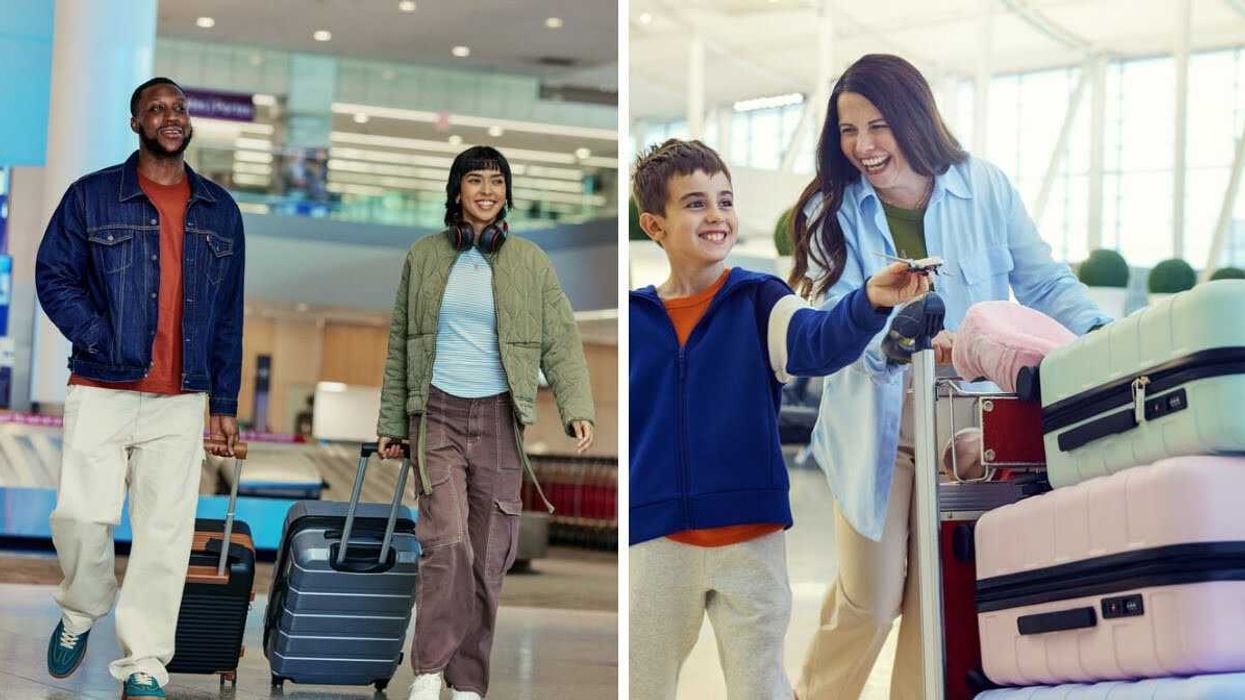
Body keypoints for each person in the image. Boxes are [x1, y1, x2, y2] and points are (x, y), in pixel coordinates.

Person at [788, 54, 1111, 700]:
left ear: (913, 118)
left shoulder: (981, 185)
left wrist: (1102, 335)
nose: (863, 146)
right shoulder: (833, 207)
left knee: (940, 601)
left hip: (964, 428)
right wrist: (899, 339)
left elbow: (1042, 279)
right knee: (871, 599)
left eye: (877, 126)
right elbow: (830, 320)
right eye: (848, 130)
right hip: (876, 423)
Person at [629, 138, 930, 700]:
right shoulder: (635, 320)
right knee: (644, 685)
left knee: (760, 687)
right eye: (695, 203)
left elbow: (817, 342)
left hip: (752, 540)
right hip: (659, 544)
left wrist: (868, 301)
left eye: (725, 199)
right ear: (655, 225)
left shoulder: (760, 299)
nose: (716, 215)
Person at [35, 76, 245, 699]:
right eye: (157, 108)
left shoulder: (220, 210)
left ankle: (146, 664)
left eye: (179, 108)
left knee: (164, 534)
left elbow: (229, 313)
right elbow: (54, 277)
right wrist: (96, 335)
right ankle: (80, 609)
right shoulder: (91, 197)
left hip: (182, 397)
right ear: (136, 123)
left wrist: (225, 404)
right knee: (81, 516)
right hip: (101, 384)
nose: (171, 116)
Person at [375, 145, 595, 700]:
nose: (487, 191)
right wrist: (392, 421)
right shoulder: (424, 256)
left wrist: (577, 408)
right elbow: (401, 340)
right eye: (476, 180)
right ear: (457, 190)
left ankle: (467, 682)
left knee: (489, 554)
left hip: (500, 417)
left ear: (507, 193)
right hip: (438, 414)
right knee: (444, 541)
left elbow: (561, 340)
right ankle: (429, 670)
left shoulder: (530, 262)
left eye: (497, 182)